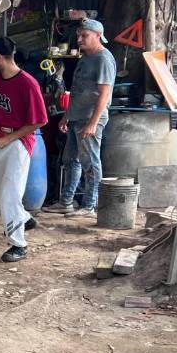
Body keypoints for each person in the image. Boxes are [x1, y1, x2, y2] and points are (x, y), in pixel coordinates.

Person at [0, 37, 48, 263]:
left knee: (10, 195)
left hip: (19, 143)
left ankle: (18, 244)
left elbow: (40, 120)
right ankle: (24, 218)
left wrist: (10, 137)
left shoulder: (28, 83)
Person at [44, 19, 116, 217]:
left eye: (84, 35)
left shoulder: (103, 59)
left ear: (97, 36)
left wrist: (93, 123)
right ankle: (66, 201)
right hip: (77, 117)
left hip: (90, 119)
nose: (79, 39)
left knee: (90, 162)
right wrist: (66, 117)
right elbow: (77, 92)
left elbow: (104, 94)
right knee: (70, 160)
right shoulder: (85, 58)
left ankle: (90, 205)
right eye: (79, 35)